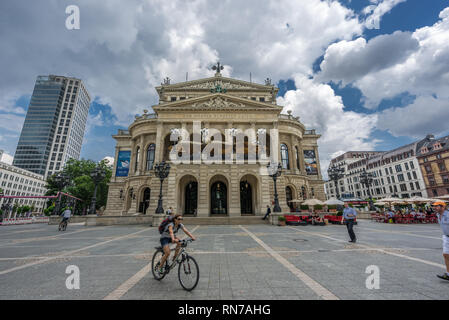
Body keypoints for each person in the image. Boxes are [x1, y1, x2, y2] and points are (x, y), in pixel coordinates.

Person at [431, 201, 449, 281]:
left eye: (436, 206)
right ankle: (448, 274)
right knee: (445, 255)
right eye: (433, 206)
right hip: (446, 236)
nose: (434, 208)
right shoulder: (438, 215)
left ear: (443, 207)